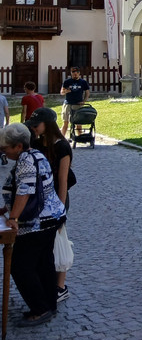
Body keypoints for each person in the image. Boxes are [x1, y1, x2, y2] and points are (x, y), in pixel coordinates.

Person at [1, 123, 65, 327]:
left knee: (21, 266)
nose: (4, 151)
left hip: (37, 223)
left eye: (6, 148)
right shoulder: (36, 154)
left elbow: (25, 191)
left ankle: (40, 308)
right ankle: (49, 304)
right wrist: (6, 210)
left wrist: (13, 218)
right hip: (50, 218)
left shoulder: (26, 162)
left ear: (18, 146)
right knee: (43, 263)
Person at [27, 107, 75, 301]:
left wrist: (60, 209)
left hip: (57, 199)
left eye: (36, 125)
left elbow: (62, 179)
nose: (33, 128)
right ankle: (47, 281)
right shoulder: (37, 144)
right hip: (40, 199)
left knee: (60, 239)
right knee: (44, 242)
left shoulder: (62, 146)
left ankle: (60, 286)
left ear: (47, 125)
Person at [60, 66, 91, 137]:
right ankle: (61, 138)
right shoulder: (67, 81)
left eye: (76, 72)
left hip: (78, 104)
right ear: (71, 73)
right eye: (73, 72)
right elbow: (61, 92)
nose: (75, 74)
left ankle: (80, 137)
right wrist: (66, 91)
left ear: (79, 73)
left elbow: (87, 92)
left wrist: (84, 101)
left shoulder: (83, 82)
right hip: (68, 103)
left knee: (78, 123)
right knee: (65, 123)